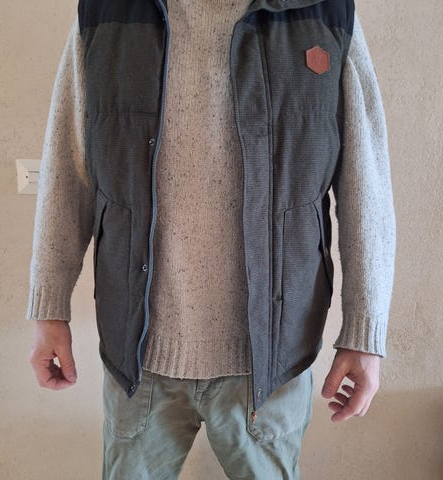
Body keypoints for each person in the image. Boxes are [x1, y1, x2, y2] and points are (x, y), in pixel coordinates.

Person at [26, 1, 396, 478]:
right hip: (138, 361)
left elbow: (365, 183)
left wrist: (365, 332)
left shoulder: (323, 13)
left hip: (272, 364)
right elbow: (67, 168)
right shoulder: (108, 12)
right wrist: (49, 307)